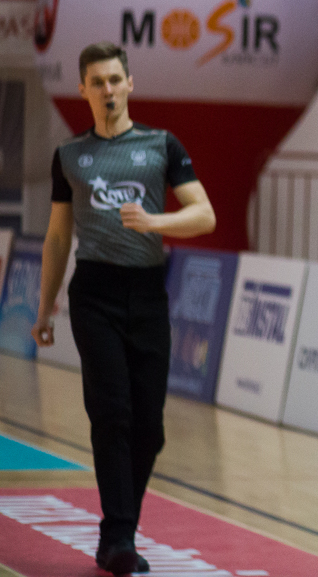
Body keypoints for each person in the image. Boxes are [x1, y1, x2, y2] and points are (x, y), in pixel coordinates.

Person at [32, 42, 216, 575]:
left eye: (115, 79)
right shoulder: (70, 155)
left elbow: (204, 214)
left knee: (149, 428)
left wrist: (155, 222)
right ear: (83, 89)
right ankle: (117, 540)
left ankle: (119, 531)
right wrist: (44, 309)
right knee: (111, 412)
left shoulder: (161, 146)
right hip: (94, 293)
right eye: (97, 82)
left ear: (130, 84)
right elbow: (58, 237)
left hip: (147, 293)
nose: (108, 90)